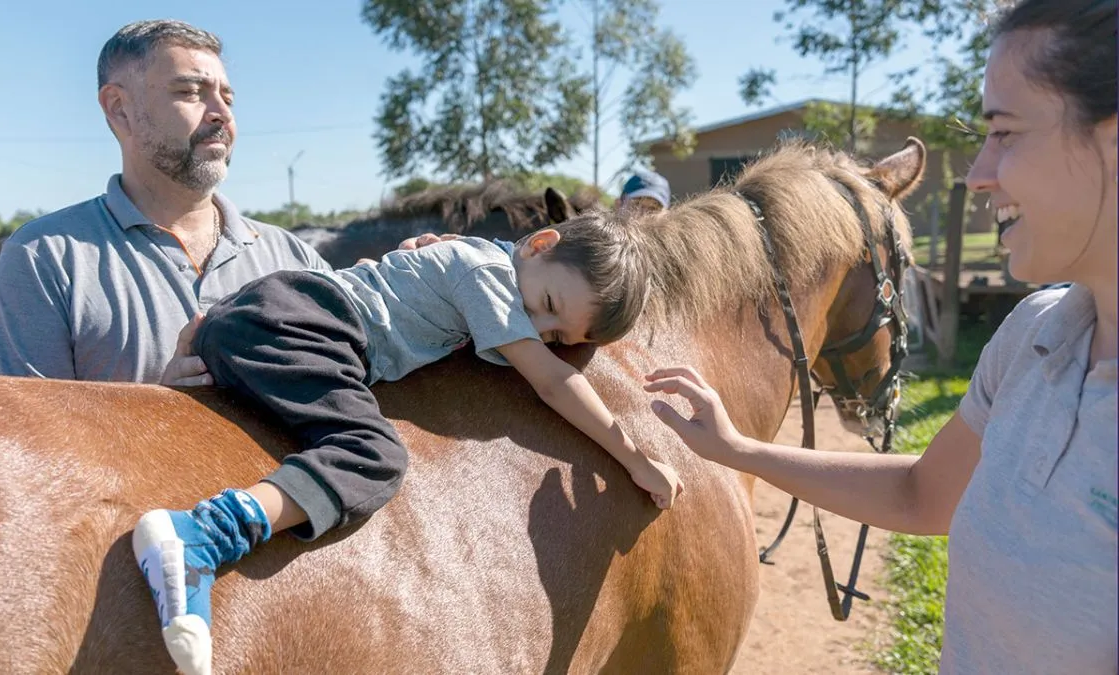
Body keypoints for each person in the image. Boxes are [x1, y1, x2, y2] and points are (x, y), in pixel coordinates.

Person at [643, 0, 1117, 672]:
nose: (979, 173)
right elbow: (923, 492)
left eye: (1005, 133)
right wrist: (739, 449)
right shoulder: (1034, 335)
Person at [132, 215, 685, 675]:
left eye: (558, 335)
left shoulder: (475, 259)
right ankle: (205, 534)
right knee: (373, 455)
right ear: (541, 244)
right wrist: (636, 458)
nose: (536, 326)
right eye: (545, 302)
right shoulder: (489, 274)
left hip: (269, 312)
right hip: (310, 323)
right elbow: (551, 380)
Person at [0, 20, 329, 385]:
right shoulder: (46, 258)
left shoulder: (295, 259)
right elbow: (29, 436)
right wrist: (162, 415)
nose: (221, 113)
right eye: (191, 92)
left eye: (228, 98)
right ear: (119, 108)